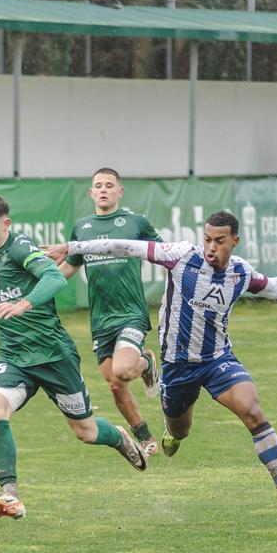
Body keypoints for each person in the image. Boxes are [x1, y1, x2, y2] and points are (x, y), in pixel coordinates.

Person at [44, 211, 277, 519]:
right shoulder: (180, 256)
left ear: (235, 241)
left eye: (219, 241)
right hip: (178, 368)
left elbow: (276, 287)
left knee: (253, 412)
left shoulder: (241, 273)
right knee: (180, 429)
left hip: (218, 360)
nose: (210, 247)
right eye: (207, 239)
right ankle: (172, 433)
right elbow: (126, 247)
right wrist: (72, 248)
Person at [0, 192, 148, 520]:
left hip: (53, 356)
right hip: (14, 355)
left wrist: (25, 304)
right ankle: (10, 495)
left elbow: (54, 276)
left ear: (6, 224)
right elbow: (9, 297)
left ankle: (117, 436)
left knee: (86, 432)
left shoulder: (20, 248)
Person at [55, 168, 164, 456]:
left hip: (131, 312)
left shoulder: (134, 222)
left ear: (120, 192)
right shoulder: (82, 228)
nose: (103, 190)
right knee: (116, 385)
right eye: (98, 186)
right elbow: (69, 265)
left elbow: (164, 252)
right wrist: (39, 289)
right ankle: (143, 435)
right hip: (101, 319)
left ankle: (147, 362)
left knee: (124, 370)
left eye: (109, 185)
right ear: (91, 193)